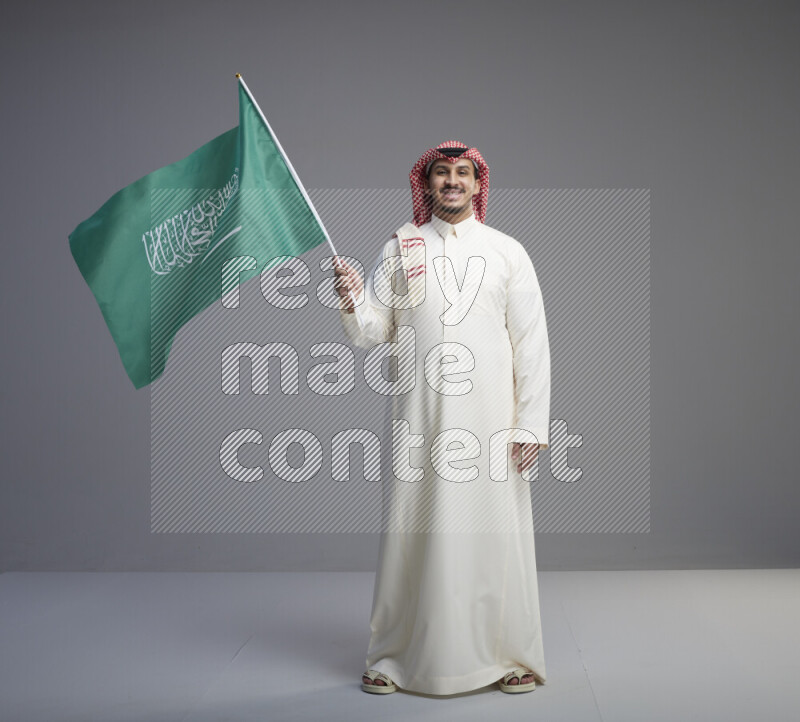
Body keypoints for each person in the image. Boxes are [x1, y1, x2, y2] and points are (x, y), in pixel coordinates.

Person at [334, 140, 551, 696]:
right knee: (413, 530)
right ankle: (392, 658)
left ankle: (509, 656)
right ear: (425, 185)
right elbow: (373, 331)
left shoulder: (508, 252)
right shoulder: (400, 247)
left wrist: (531, 424)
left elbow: (531, 344)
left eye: (462, 174)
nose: (451, 182)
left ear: (478, 185)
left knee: (494, 535)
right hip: (419, 418)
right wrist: (354, 298)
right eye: (440, 174)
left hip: (491, 423)